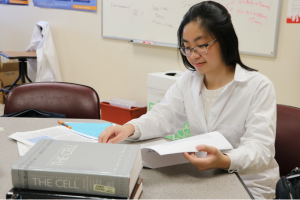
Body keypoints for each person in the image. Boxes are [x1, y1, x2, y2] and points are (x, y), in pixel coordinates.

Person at [99, 1, 279, 199]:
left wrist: (226, 160)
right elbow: (162, 117)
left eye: (201, 46)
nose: (193, 56)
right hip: (204, 179)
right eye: (187, 47)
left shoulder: (258, 86)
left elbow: (261, 150)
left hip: (250, 184)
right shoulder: (189, 80)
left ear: (225, 39)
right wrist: (128, 128)